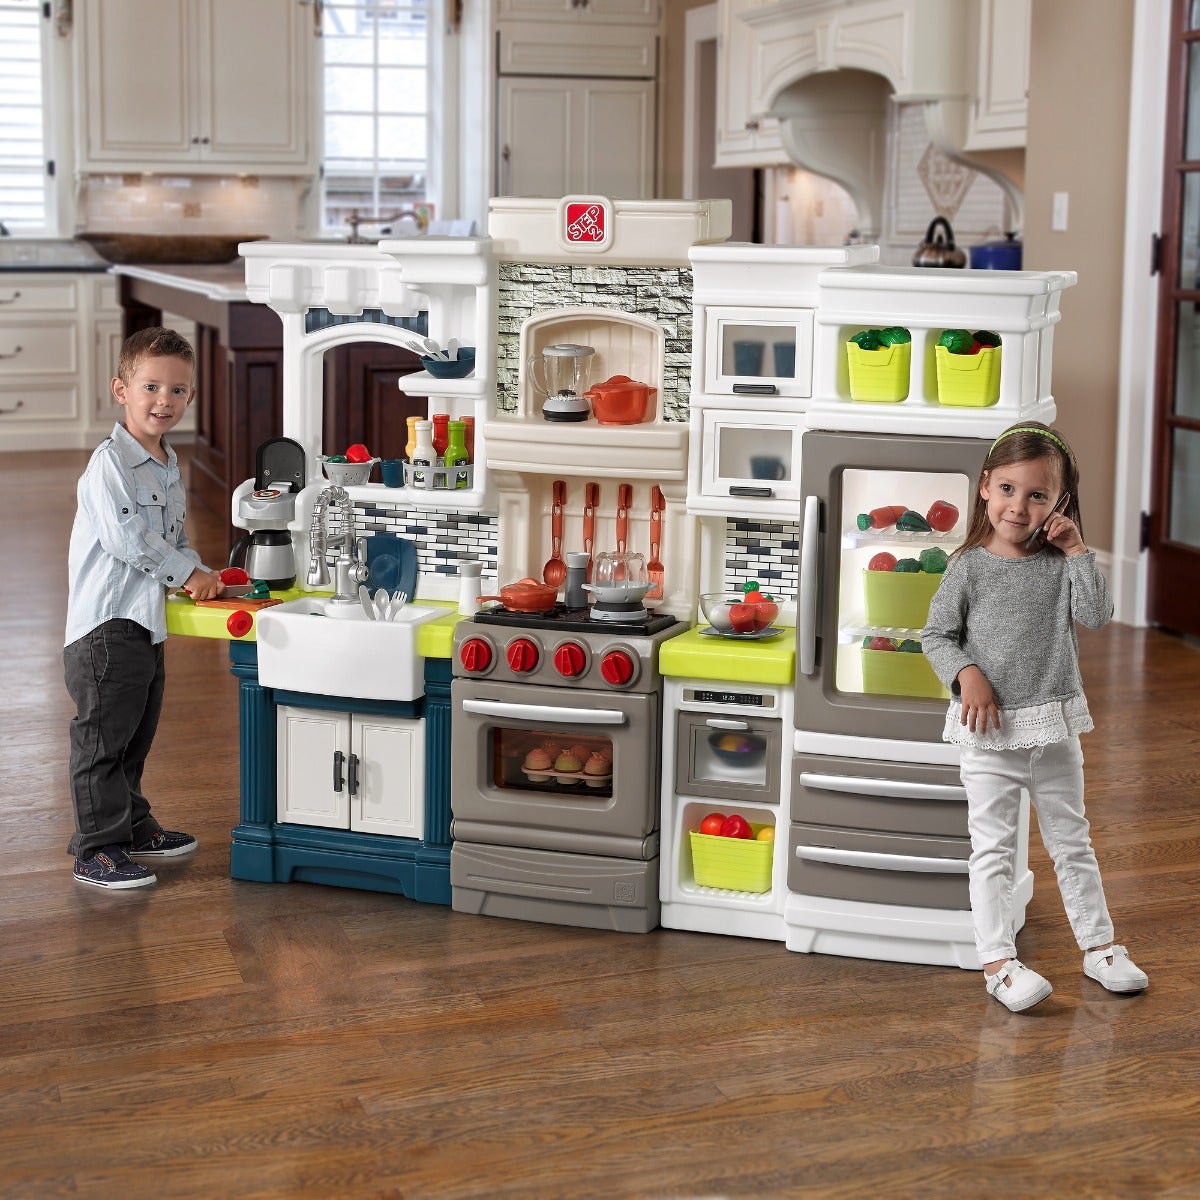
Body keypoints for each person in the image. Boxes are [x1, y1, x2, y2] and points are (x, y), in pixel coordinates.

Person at [921, 421, 1148, 1013]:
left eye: (1037, 495)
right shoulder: (967, 566)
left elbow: (1097, 615)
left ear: (1060, 503)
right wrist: (965, 672)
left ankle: (1099, 948)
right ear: (984, 489)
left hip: (1052, 726)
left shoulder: (1060, 562)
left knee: (1073, 842)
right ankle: (998, 963)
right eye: (1007, 490)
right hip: (988, 737)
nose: (1018, 507)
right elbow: (937, 635)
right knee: (993, 849)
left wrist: (1076, 550)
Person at [64, 327, 226, 889]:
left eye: (178, 390)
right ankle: (96, 847)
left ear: (191, 397)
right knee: (102, 741)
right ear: (121, 389)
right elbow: (129, 541)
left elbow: (172, 540)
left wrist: (203, 574)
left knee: (135, 734)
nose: (165, 399)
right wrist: (188, 574)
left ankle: (130, 826)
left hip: (144, 625)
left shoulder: (165, 463)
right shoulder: (109, 464)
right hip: (107, 627)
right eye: (151, 386)